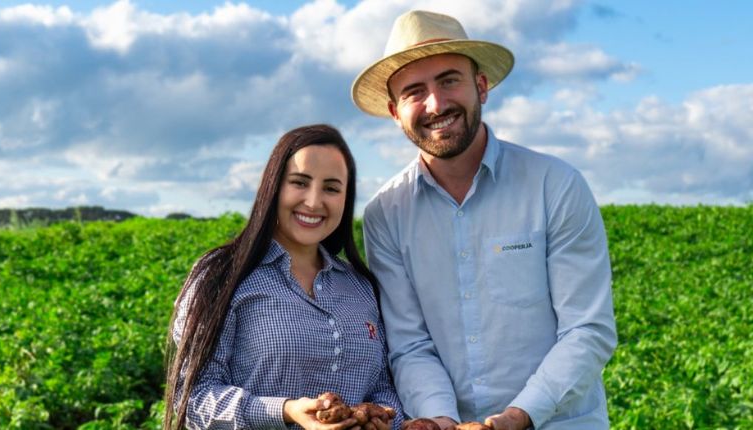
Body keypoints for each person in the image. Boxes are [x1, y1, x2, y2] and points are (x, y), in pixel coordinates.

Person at [352, 10, 617, 430]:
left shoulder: (556, 185)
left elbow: (587, 328)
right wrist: (439, 420)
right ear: (394, 110)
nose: (436, 104)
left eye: (449, 80)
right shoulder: (386, 214)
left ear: (481, 86)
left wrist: (517, 417)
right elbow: (410, 344)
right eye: (414, 91)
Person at [163, 124, 404, 430]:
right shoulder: (221, 275)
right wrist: (285, 411)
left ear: (346, 199)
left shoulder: (360, 286)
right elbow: (194, 397)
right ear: (273, 187)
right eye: (300, 183)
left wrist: (381, 416)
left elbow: (384, 385)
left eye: (331, 188)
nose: (314, 202)